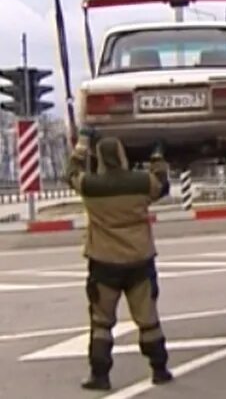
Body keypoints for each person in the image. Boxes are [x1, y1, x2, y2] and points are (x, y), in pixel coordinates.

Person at [65, 128, 174, 391]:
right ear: (123, 156)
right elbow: (162, 184)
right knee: (148, 319)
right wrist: (157, 154)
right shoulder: (140, 182)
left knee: (102, 321)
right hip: (139, 261)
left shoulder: (91, 186)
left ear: (100, 158)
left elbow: (70, 174)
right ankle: (159, 369)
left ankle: (99, 375)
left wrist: (82, 144)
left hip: (103, 264)